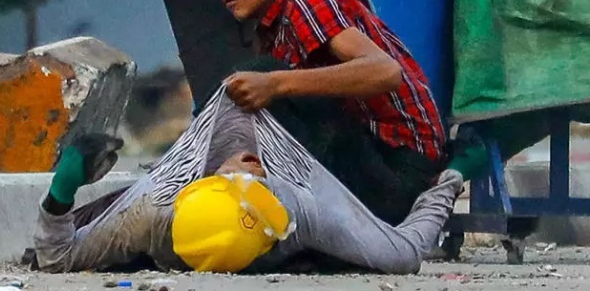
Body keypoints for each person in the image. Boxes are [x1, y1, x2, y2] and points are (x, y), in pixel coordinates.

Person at [198, 0, 448, 225]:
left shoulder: (306, 0)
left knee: (261, 75)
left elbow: (385, 71)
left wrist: (275, 84)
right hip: (370, 164)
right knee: (246, 90)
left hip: (399, 171)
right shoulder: (273, 32)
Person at [32, 86, 462, 274]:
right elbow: (403, 253)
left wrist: (63, 192)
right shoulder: (293, 208)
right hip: (278, 144)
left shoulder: (156, 209)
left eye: (243, 175)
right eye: (247, 175)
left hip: (274, 120)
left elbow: (56, 257)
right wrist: (450, 181)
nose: (245, 167)